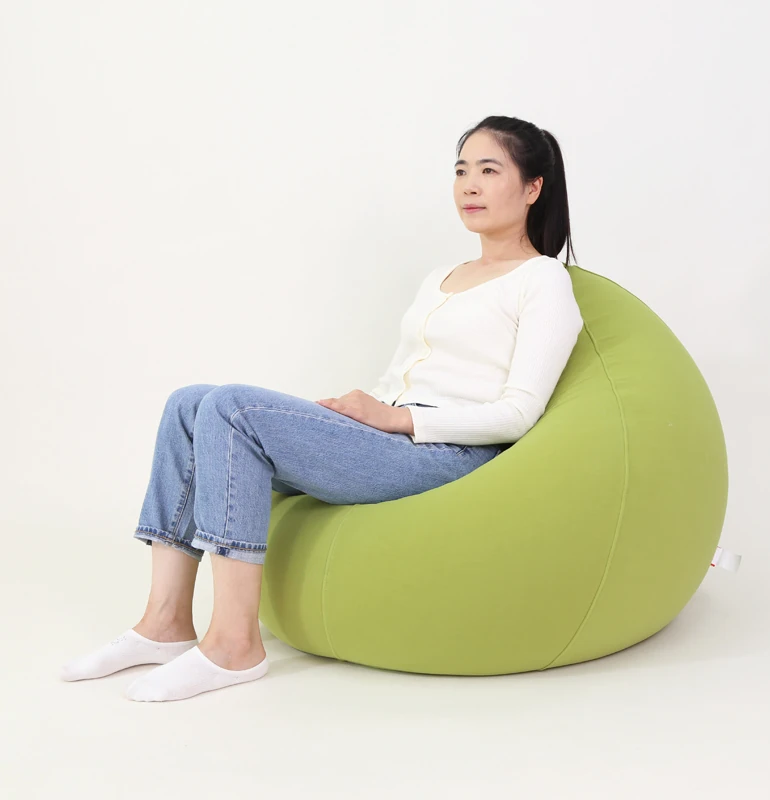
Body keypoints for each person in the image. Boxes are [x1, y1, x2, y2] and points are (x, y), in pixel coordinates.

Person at [59, 115, 584, 702]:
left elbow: (519, 414)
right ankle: (164, 624)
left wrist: (400, 419)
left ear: (533, 187)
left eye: (489, 170)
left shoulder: (543, 281)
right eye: (461, 171)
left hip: (448, 452)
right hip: (391, 436)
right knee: (190, 404)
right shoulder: (443, 277)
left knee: (231, 408)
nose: (470, 185)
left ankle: (234, 645)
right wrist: (349, 414)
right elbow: (399, 377)